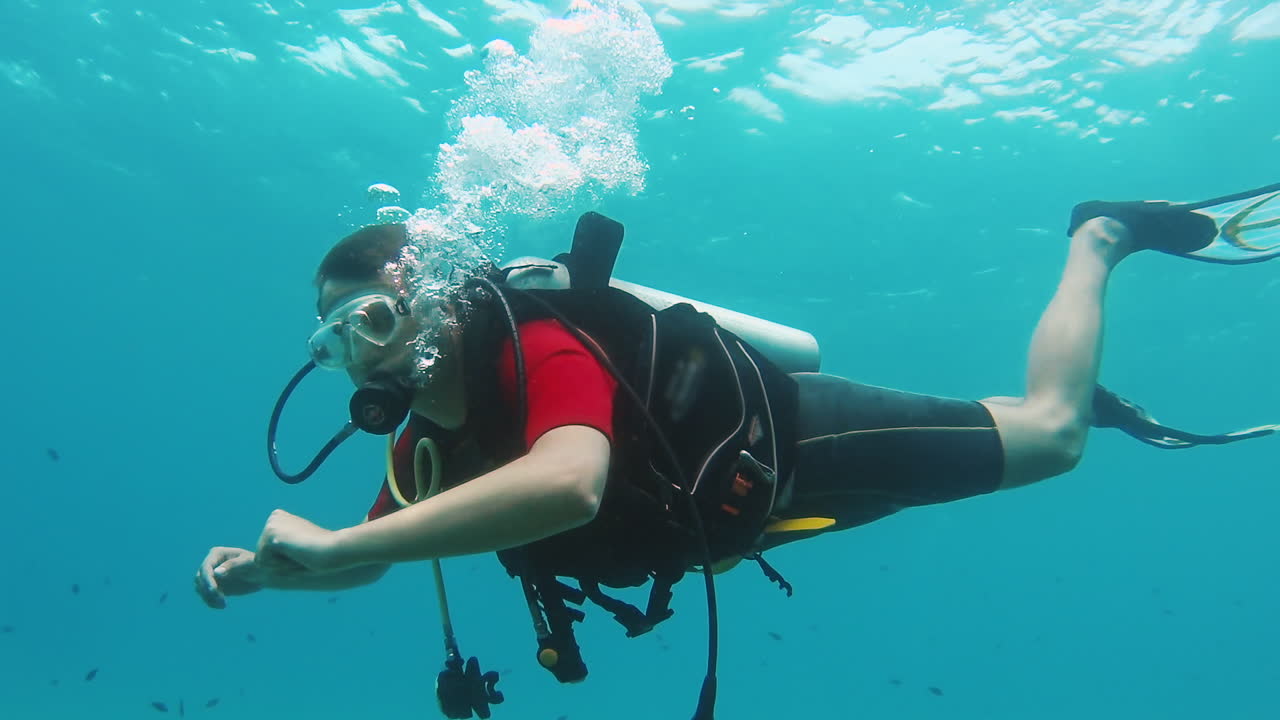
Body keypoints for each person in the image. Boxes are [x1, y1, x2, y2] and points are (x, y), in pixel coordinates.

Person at [195, 186, 1278, 719]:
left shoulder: (536, 342)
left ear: (425, 306)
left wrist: (331, 546)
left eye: (371, 324)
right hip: (743, 516)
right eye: (329, 341)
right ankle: (1039, 386)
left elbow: (568, 481)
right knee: (996, 430)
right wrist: (267, 575)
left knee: (1051, 437)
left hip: (800, 440)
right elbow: (379, 554)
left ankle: (1098, 238)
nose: (352, 359)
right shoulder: (425, 448)